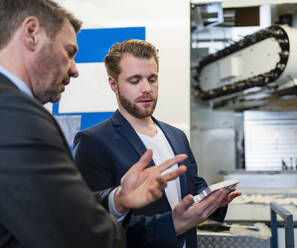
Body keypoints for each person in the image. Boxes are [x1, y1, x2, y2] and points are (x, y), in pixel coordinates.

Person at [0, 0, 192, 247]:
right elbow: (77, 233)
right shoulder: (18, 115)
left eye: (152, 79)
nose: (74, 70)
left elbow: (52, 210)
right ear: (31, 33)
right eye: (69, 53)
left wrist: (118, 200)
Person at [73, 39, 241, 248]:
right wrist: (174, 224)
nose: (146, 89)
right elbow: (93, 225)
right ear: (113, 83)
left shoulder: (177, 135)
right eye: (134, 81)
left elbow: (192, 183)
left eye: (152, 79)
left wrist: (213, 201)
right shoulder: (93, 142)